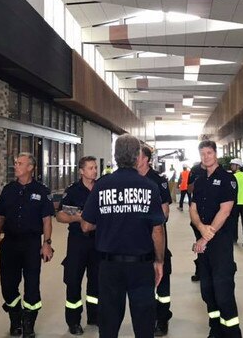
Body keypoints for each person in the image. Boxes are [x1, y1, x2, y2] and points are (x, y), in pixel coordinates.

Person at [81, 134, 166, 338]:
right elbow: (158, 230)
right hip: (141, 265)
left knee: (109, 321)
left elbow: (86, 225)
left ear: (116, 156)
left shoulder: (101, 185)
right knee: (144, 321)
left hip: (110, 266)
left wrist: (109, 218)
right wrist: (159, 261)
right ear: (138, 156)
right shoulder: (149, 187)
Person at [0, 153, 55, 337]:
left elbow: (47, 221)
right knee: (8, 284)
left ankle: (29, 323)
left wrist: (47, 244)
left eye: (20, 163)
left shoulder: (42, 190)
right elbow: (0, 216)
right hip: (10, 243)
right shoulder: (8, 189)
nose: (16, 166)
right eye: (15, 163)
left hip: (31, 244)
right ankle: (15, 318)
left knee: (32, 285)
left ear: (30, 167)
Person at [190, 140, 241, 338]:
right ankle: (215, 329)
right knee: (207, 289)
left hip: (220, 242)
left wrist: (206, 236)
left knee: (223, 289)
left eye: (209, 153)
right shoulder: (200, 180)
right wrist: (201, 229)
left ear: (215, 154)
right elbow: (193, 209)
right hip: (204, 240)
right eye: (202, 154)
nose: (205, 157)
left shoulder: (227, 179)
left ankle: (232, 332)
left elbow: (225, 210)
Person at [56, 156, 100, 335]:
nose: (94, 171)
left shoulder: (101, 188)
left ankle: (94, 316)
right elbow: (60, 215)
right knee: (73, 281)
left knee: (96, 281)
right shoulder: (73, 191)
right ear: (81, 171)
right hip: (78, 242)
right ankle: (74, 320)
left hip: (98, 241)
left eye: (95, 167)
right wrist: (78, 217)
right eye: (90, 168)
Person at [137, 146, 173, 336]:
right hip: (137, 241)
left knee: (162, 281)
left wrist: (147, 220)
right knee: (143, 281)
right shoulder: (131, 180)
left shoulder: (158, 181)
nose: (136, 158)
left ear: (147, 159)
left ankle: (163, 318)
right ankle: (148, 317)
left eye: (139, 155)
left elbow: (165, 212)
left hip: (156, 237)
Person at [188, 162, 207, 282]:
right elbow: (189, 189)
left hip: (214, 215)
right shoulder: (195, 170)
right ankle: (201, 271)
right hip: (198, 215)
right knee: (200, 244)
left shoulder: (218, 171)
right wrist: (199, 182)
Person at [229, 158, 243, 248]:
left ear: (238, 166)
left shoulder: (234, 176)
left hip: (236, 202)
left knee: (234, 221)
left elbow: (231, 190)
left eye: (233, 165)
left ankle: (234, 239)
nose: (231, 166)